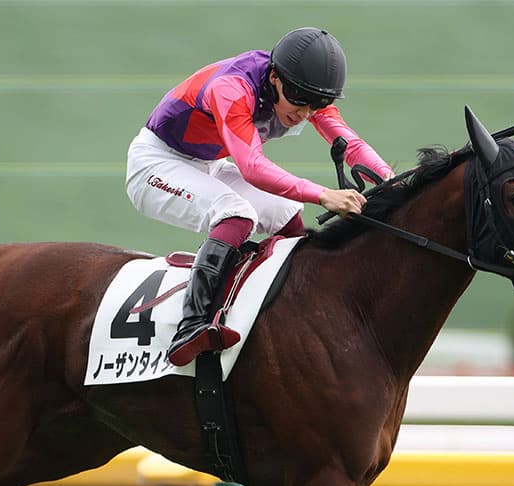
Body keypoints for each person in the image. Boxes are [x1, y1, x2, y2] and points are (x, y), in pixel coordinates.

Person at [126, 27, 393, 367]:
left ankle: (293, 308)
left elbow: (350, 144)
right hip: (155, 164)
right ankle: (191, 326)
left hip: (206, 162)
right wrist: (324, 195)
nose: (306, 112)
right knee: (235, 213)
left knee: (287, 214)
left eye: (318, 103)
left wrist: (390, 179)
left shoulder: (303, 92)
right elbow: (252, 167)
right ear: (274, 77)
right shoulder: (232, 88)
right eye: (299, 98)